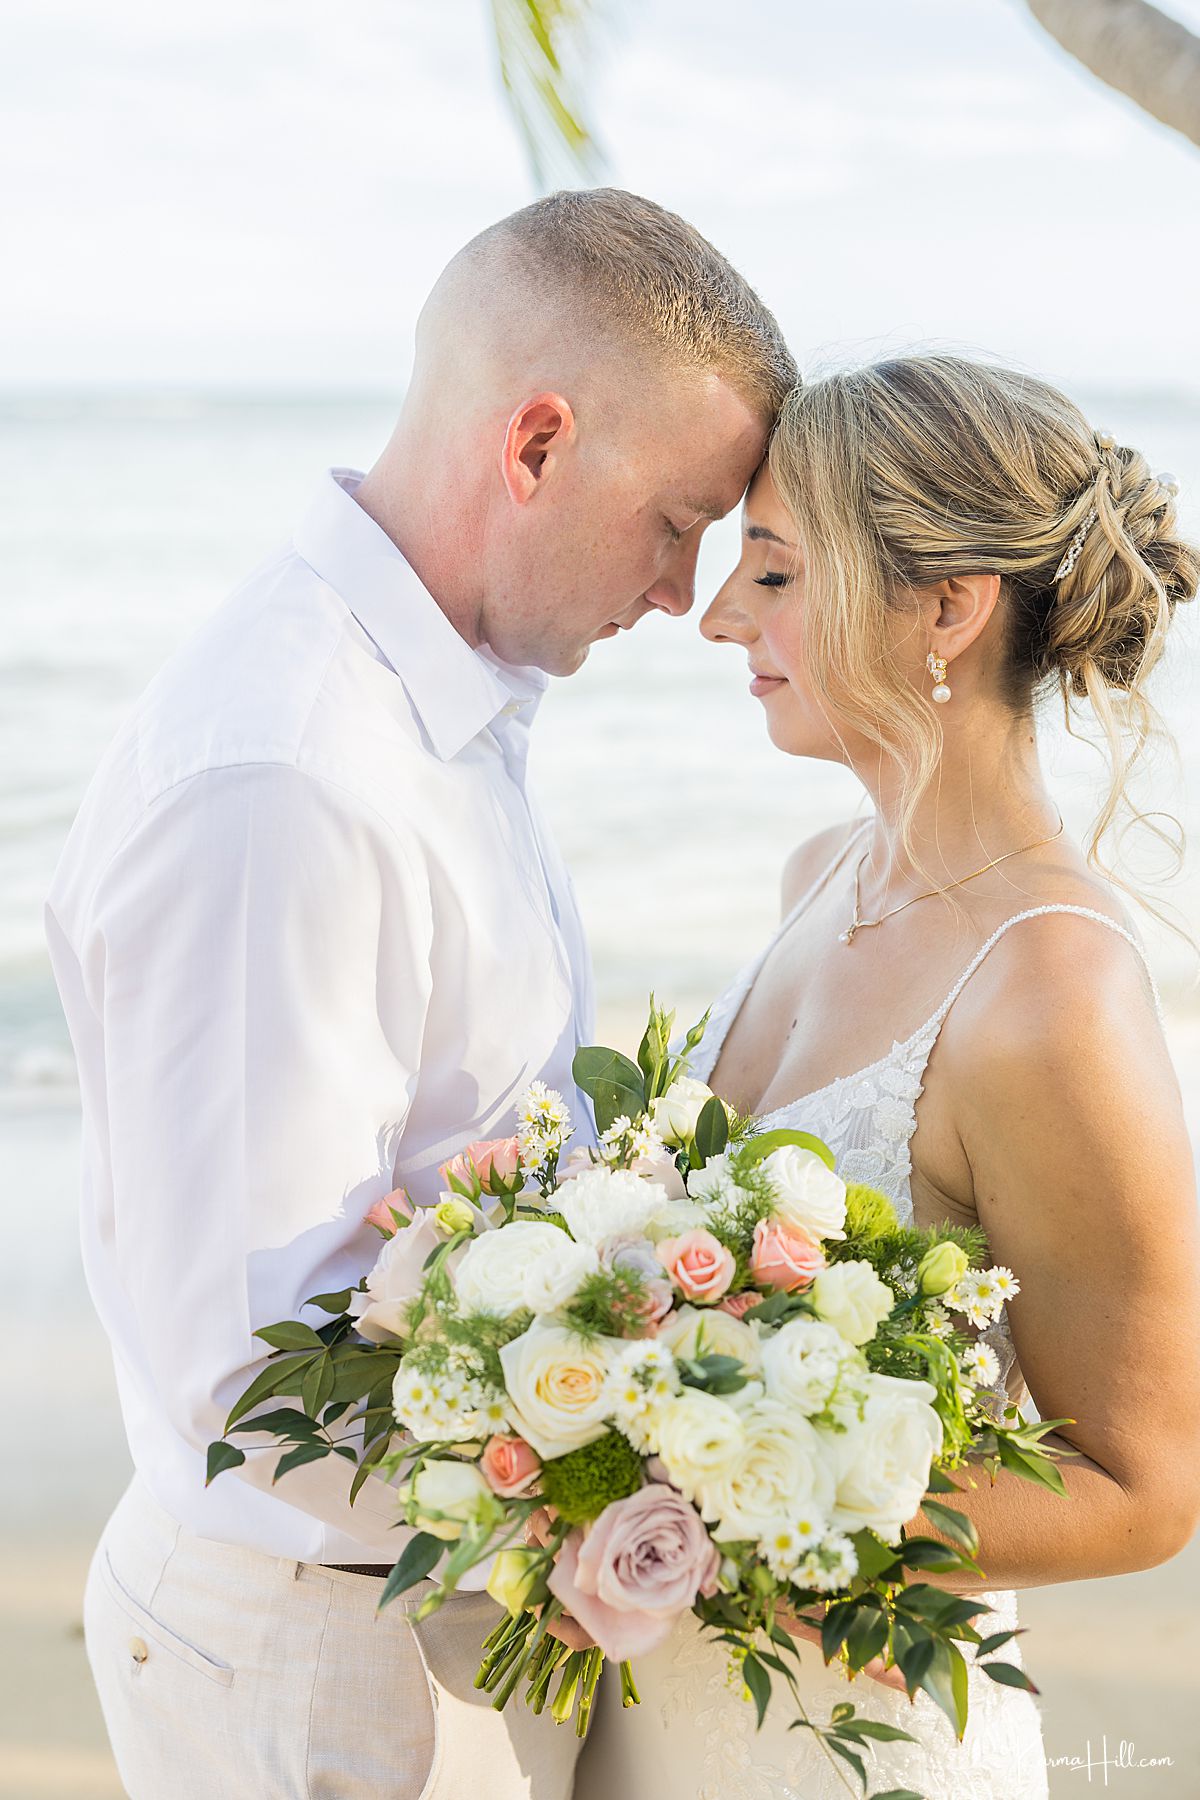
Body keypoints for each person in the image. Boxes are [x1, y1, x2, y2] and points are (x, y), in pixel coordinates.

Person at [44, 187, 793, 1800]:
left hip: (399, 1612)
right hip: (316, 1657)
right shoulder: (291, 778)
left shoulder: (435, 703)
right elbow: (252, 1367)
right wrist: (677, 1474)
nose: (682, 595)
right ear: (533, 446)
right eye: (676, 521)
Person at [574, 355, 1200, 1799]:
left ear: (948, 606)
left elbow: (1145, 1488)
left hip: (848, 1741)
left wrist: (750, 1516)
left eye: (778, 575)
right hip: (656, 1701)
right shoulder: (820, 873)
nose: (721, 614)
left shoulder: (1051, 991)